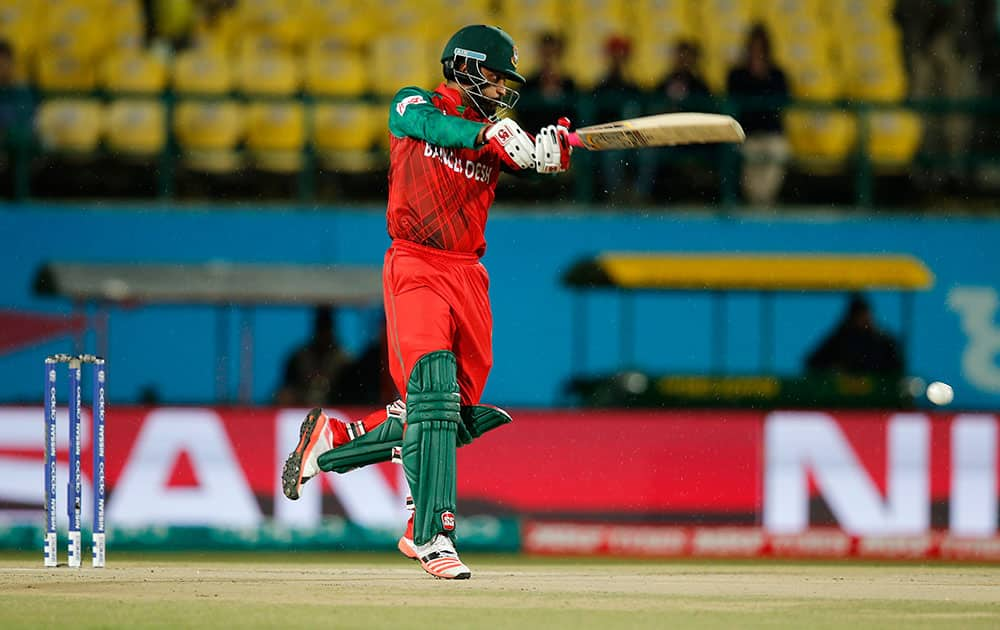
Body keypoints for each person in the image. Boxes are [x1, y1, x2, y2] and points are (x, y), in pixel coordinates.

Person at [279, 25, 571, 580]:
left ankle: (330, 444)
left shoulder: (494, 132)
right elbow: (423, 124)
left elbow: (532, 161)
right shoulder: (414, 103)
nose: (500, 87)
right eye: (491, 74)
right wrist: (489, 137)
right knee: (433, 397)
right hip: (415, 264)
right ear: (462, 66)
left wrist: (551, 150)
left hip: (468, 276)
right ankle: (432, 534)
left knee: (446, 417)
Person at [726, 24, 790, 206]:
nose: (757, 52)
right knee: (749, 157)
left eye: (761, 48)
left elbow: (782, 101)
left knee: (778, 151)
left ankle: (764, 200)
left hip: (771, 133)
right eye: (754, 47)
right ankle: (756, 201)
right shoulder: (738, 74)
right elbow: (734, 99)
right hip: (747, 133)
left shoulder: (776, 74)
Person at [592, 35, 644, 201]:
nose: (618, 59)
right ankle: (616, 196)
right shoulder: (602, 85)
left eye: (622, 55)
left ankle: (639, 195)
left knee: (648, 154)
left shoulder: (633, 85)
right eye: (615, 55)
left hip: (635, 137)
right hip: (609, 136)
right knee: (612, 155)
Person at [805, 293, 904, 376]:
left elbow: (896, 367)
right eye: (859, 316)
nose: (863, 320)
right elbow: (814, 361)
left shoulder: (883, 340)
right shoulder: (842, 338)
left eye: (865, 315)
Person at [274, 306, 353, 407]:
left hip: (336, 404)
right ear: (316, 330)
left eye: (327, 329)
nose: (324, 335)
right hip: (302, 405)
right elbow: (287, 388)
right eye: (321, 329)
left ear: (332, 330)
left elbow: (352, 391)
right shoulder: (299, 357)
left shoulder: (344, 359)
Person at [518, 32, 576, 138]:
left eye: (553, 54)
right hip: (534, 140)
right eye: (547, 54)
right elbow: (522, 118)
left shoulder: (569, 84)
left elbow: (575, 117)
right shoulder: (528, 84)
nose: (550, 60)